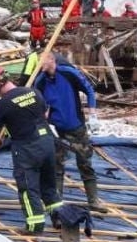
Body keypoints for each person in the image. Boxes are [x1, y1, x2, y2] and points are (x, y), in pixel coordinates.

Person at [0, 67, 63, 234]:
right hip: (47, 142)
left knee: (28, 187)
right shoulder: (34, 92)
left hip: (27, 147)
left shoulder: (2, 105)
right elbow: (45, 114)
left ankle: (34, 225)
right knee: (49, 183)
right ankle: (59, 217)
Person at [33, 55, 107, 212]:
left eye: (42, 61)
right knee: (56, 166)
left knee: (85, 163)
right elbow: (37, 102)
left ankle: (93, 200)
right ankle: (56, 202)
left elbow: (88, 89)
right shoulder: (40, 81)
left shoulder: (68, 73)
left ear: (51, 60)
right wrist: (43, 115)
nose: (40, 65)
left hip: (76, 127)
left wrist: (92, 112)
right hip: (56, 130)